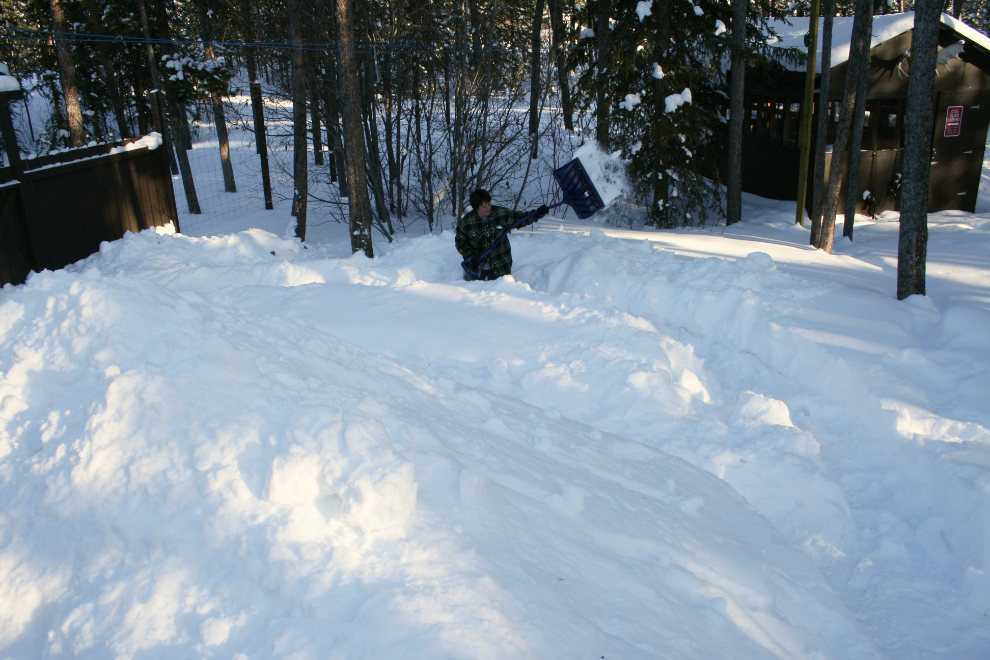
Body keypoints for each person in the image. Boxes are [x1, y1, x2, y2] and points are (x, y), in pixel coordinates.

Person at [455, 189, 549, 281]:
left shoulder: (499, 213)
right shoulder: (466, 223)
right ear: (476, 207)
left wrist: (537, 214)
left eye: (489, 204)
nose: (488, 208)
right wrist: (470, 255)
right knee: (472, 293)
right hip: (476, 267)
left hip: (500, 264)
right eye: (484, 206)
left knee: (501, 294)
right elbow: (460, 242)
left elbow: (519, 218)